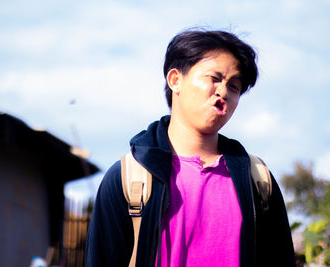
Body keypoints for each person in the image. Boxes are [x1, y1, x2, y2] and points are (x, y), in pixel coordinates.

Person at [85, 28, 296, 267]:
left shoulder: (257, 180)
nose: (223, 91)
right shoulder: (128, 178)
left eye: (234, 86)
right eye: (214, 78)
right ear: (176, 80)